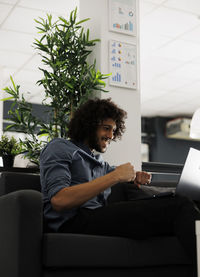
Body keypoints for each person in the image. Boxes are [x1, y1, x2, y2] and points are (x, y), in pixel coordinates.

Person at [40, 98, 200, 262]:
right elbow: (59, 200)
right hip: (72, 222)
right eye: (106, 128)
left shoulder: (100, 163)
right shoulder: (60, 147)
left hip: (96, 218)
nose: (111, 135)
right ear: (88, 126)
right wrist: (115, 175)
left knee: (184, 207)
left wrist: (134, 176)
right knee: (179, 206)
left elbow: (117, 177)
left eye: (113, 130)